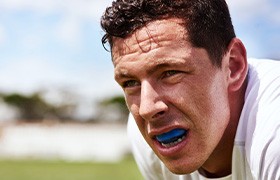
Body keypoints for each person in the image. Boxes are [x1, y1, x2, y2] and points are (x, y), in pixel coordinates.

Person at [101, 0, 280, 179]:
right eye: (130, 83)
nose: (147, 109)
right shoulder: (143, 137)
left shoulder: (274, 128)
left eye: (170, 73)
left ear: (232, 66)